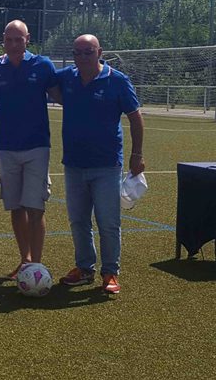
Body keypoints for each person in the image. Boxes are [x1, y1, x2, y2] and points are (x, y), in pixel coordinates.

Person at [57, 34, 145, 294]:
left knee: (108, 222)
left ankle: (110, 272)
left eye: (89, 51)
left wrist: (137, 154)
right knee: (78, 221)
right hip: (74, 164)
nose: (83, 57)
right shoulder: (67, 77)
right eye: (78, 52)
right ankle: (85, 269)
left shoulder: (118, 80)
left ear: (100, 52)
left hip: (107, 165)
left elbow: (135, 117)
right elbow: (40, 77)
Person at [0, 20, 60, 279]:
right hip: (6, 148)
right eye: (9, 39)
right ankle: (25, 260)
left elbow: (63, 96)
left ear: (28, 39)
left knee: (35, 208)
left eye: (19, 39)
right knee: (16, 207)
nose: (14, 44)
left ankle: (36, 265)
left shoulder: (43, 65)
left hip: (37, 147)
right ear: (3, 40)